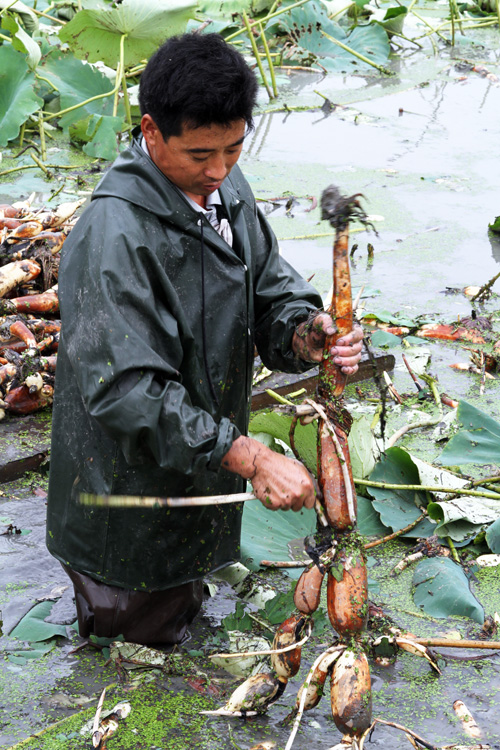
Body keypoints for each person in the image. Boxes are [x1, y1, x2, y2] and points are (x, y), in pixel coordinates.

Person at [46, 33, 363, 646]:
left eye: (234, 148)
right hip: (126, 502)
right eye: (199, 154)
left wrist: (305, 332)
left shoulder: (224, 191)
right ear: (151, 131)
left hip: (195, 479)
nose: (218, 170)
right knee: (132, 658)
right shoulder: (113, 234)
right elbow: (127, 391)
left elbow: (269, 286)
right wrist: (251, 456)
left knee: (183, 626)